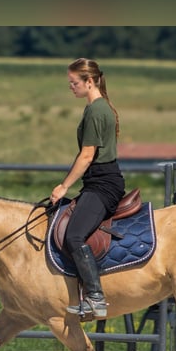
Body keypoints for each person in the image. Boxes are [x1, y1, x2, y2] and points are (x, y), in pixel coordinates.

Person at [50, 58, 126, 319]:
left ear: (89, 81)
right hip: (97, 182)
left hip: (103, 184)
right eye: (70, 83)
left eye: (74, 83)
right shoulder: (96, 108)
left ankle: (95, 297)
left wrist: (63, 186)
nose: (71, 87)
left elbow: (86, 155)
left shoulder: (96, 110)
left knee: (73, 236)